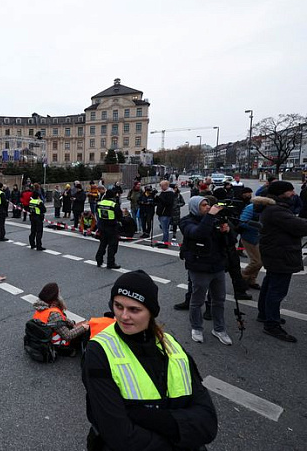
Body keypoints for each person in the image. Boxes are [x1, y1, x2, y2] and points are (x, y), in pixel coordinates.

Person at [82, 270, 218, 451]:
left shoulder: (172, 345)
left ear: (151, 312)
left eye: (134, 309)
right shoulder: (99, 351)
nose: (123, 316)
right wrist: (178, 428)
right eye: (118, 306)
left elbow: (208, 423)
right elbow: (120, 436)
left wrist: (148, 417)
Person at [257, 181, 307, 342]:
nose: (293, 193)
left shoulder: (273, 208)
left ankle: (265, 314)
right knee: (276, 291)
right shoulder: (277, 210)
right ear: (281, 193)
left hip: (275, 253)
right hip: (281, 254)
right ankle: (272, 324)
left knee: (270, 284)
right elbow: (300, 227)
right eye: (290, 191)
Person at [180, 196, 233, 346]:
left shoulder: (214, 220)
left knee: (219, 300)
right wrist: (210, 216)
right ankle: (196, 328)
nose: (208, 207)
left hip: (217, 266)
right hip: (199, 267)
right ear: (195, 207)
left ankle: (219, 329)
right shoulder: (186, 222)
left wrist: (227, 232)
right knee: (197, 300)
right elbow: (198, 233)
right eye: (203, 205)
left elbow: (229, 242)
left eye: (208, 205)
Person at [32, 283, 89, 357]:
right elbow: (68, 336)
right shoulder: (53, 314)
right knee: (87, 327)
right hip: (58, 345)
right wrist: (84, 327)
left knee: (82, 324)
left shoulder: (41, 308)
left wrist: (72, 323)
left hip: (45, 339)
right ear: (55, 298)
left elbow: (62, 321)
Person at [95, 189, 122, 269]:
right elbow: (119, 216)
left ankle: (99, 260)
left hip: (102, 226)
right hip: (112, 227)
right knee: (112, 246)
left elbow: (97, 213)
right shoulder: (114, 205)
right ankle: (110, 263)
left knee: (102, 244)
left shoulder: (99, 203)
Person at [155, 180, 174, 247]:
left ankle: (165, 243)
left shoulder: (170, 193)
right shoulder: (163, 192)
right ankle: (163, 241)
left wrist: (159, 198)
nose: (161, 187)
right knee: (163, 229)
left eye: (162, 186)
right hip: (161, 213)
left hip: (165, 213)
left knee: (165, 229)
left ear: (166, 185)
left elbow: (168, 203)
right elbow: (159, 202)